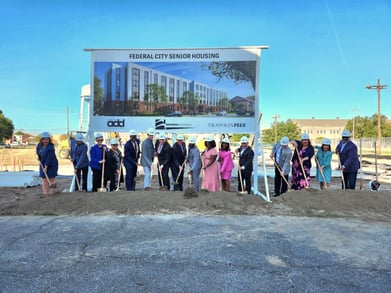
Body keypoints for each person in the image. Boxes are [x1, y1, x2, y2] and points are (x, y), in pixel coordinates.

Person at [36, 131, 59, 195]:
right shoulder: (39, 146)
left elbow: (49, 158)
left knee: (52, 178)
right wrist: (38, 157)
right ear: (41, 139)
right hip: (42, 164)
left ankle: (52, 193)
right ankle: (46, 193)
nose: (45, 141)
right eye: (44, 139)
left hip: (52, 164)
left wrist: (46, 167)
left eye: (47, 139)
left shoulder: (51, 147)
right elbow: (38, 153)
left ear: (49, 139)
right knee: (44, 179)